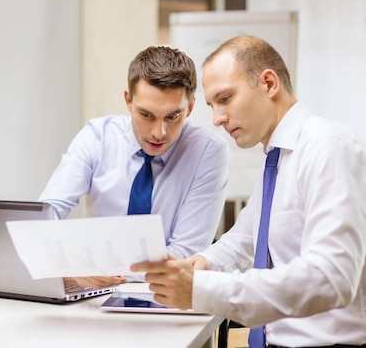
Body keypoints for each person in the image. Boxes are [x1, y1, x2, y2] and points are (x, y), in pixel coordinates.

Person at [131, 35, 366, 347]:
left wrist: (201, 290)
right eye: (212, 105)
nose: (217, 119)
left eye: (225, 99)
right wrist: (197, 265)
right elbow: (245, 240)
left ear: (268, 83)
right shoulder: (278, 160)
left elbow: (331, 278)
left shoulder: (331, 150)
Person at [39, 45, 230, 286]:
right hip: (95, 296)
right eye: (146, 115)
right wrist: (67, 269)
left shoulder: (208, 152)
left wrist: (88, 268)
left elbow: (184, 257)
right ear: (128, 100)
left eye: (172, 117)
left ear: (190, 107)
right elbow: (47, 214)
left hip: (166, 297)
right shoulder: (96, 138)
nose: (158, 133)